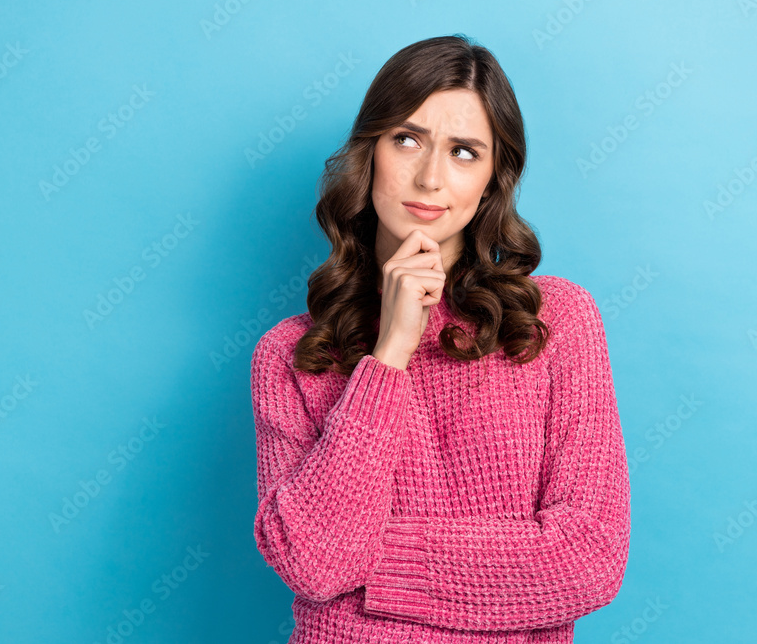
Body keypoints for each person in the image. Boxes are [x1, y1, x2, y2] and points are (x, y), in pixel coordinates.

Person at [249, 34, 630, 643]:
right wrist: (389, 355)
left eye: (463, 152)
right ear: (369, 152)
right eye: (407, 139)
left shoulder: (555, 321)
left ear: (492, 179)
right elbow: (315, 564)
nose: (429, 178)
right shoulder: (291, 356)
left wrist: (373, 567)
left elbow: (588, 557)